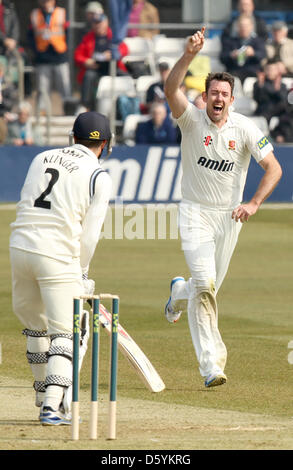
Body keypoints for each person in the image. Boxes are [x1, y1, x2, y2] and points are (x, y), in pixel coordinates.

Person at [163, 27, 282, 388]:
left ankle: (177, 291)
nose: (218, 98)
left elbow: (274, 168)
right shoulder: (191, 120)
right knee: (206, 283)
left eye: (224, 94)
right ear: (205, 96)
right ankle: (211, 365)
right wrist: (187, 55)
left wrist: (254, 203)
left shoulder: (245, 128)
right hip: (195, 211)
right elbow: (170, 89)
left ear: (232, 100)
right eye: (213, 92)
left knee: (205, 290)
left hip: (230, 217)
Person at [9, 111, 113, 425]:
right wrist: (81, 271)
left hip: (20, 245)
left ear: (72, 137)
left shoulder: (41, 157)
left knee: (35, 325)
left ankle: (43, 393)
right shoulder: (99, 175)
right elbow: (91, 233)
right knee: (66, 332)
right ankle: (53, 408)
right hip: (56, 254)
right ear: (105, 145)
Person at [74, 13, 129, 112]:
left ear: (106, 23)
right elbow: (78, 55)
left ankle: (128, 103)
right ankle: (85, 106)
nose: (98, 25)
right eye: (95, 23)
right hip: (95, 68)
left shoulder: (113, 36)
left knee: (126, 77)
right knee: (88, 76)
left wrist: (113, 54)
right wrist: (86, 61)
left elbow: (124, 49)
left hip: (112, 67)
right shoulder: (88, 38)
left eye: (100, 22)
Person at [28, 0, 72, 114]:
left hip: (59, 55)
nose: (45, 3)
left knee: (64, 86)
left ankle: (68, 110)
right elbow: (30, 36)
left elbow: (68, 33)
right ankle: (42, 114)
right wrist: (36, 52)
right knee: (42, 88)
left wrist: (65, 50)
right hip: (42, 57)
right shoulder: (34, 14)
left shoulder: (61, 12)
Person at [220, 14, 267, 83]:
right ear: (237, 27)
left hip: (252, 72)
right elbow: (222, 57)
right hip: (234, 71)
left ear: (251, 27)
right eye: (241, 26)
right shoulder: (230, 41)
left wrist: (253, 53)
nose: (243, 28)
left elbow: (263, 55)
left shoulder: (258, 41)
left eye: (246, 26)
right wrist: (231, 55)